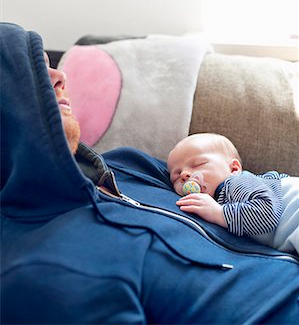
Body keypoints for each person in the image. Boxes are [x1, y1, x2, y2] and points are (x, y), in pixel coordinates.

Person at [1, 23, 299, 325]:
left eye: (49, 65)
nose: (59, 77)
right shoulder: (42, 270)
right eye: (31, 70)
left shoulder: (127, 164)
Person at [168, 133, 299, 255]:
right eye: (176, 175)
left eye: (198, 165)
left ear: (233, 169)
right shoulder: (220, 198)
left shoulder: (236, 182)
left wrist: (219, 213)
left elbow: (267, 213)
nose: (184, 174)